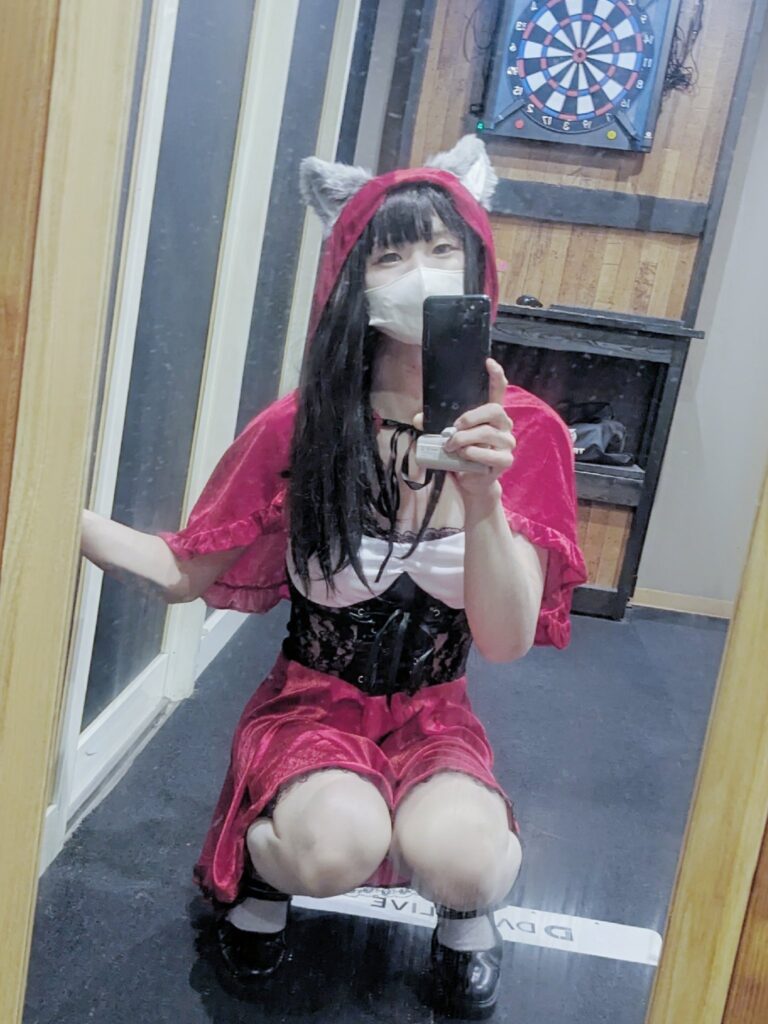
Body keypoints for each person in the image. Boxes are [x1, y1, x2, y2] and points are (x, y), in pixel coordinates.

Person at [81, 135, 586, 1018]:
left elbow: (505, 642)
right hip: (311, 705)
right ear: (350, 276)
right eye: (391, 255)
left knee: (471, 861)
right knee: (334, 844)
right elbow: (182, 571)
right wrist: (51, 509)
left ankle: (466, 915)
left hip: (436, 710)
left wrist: (481, 494)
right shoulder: (303, 425)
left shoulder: (525, 432)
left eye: (443, 248)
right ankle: (264, 879)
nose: (420, 273)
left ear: (477, 264)